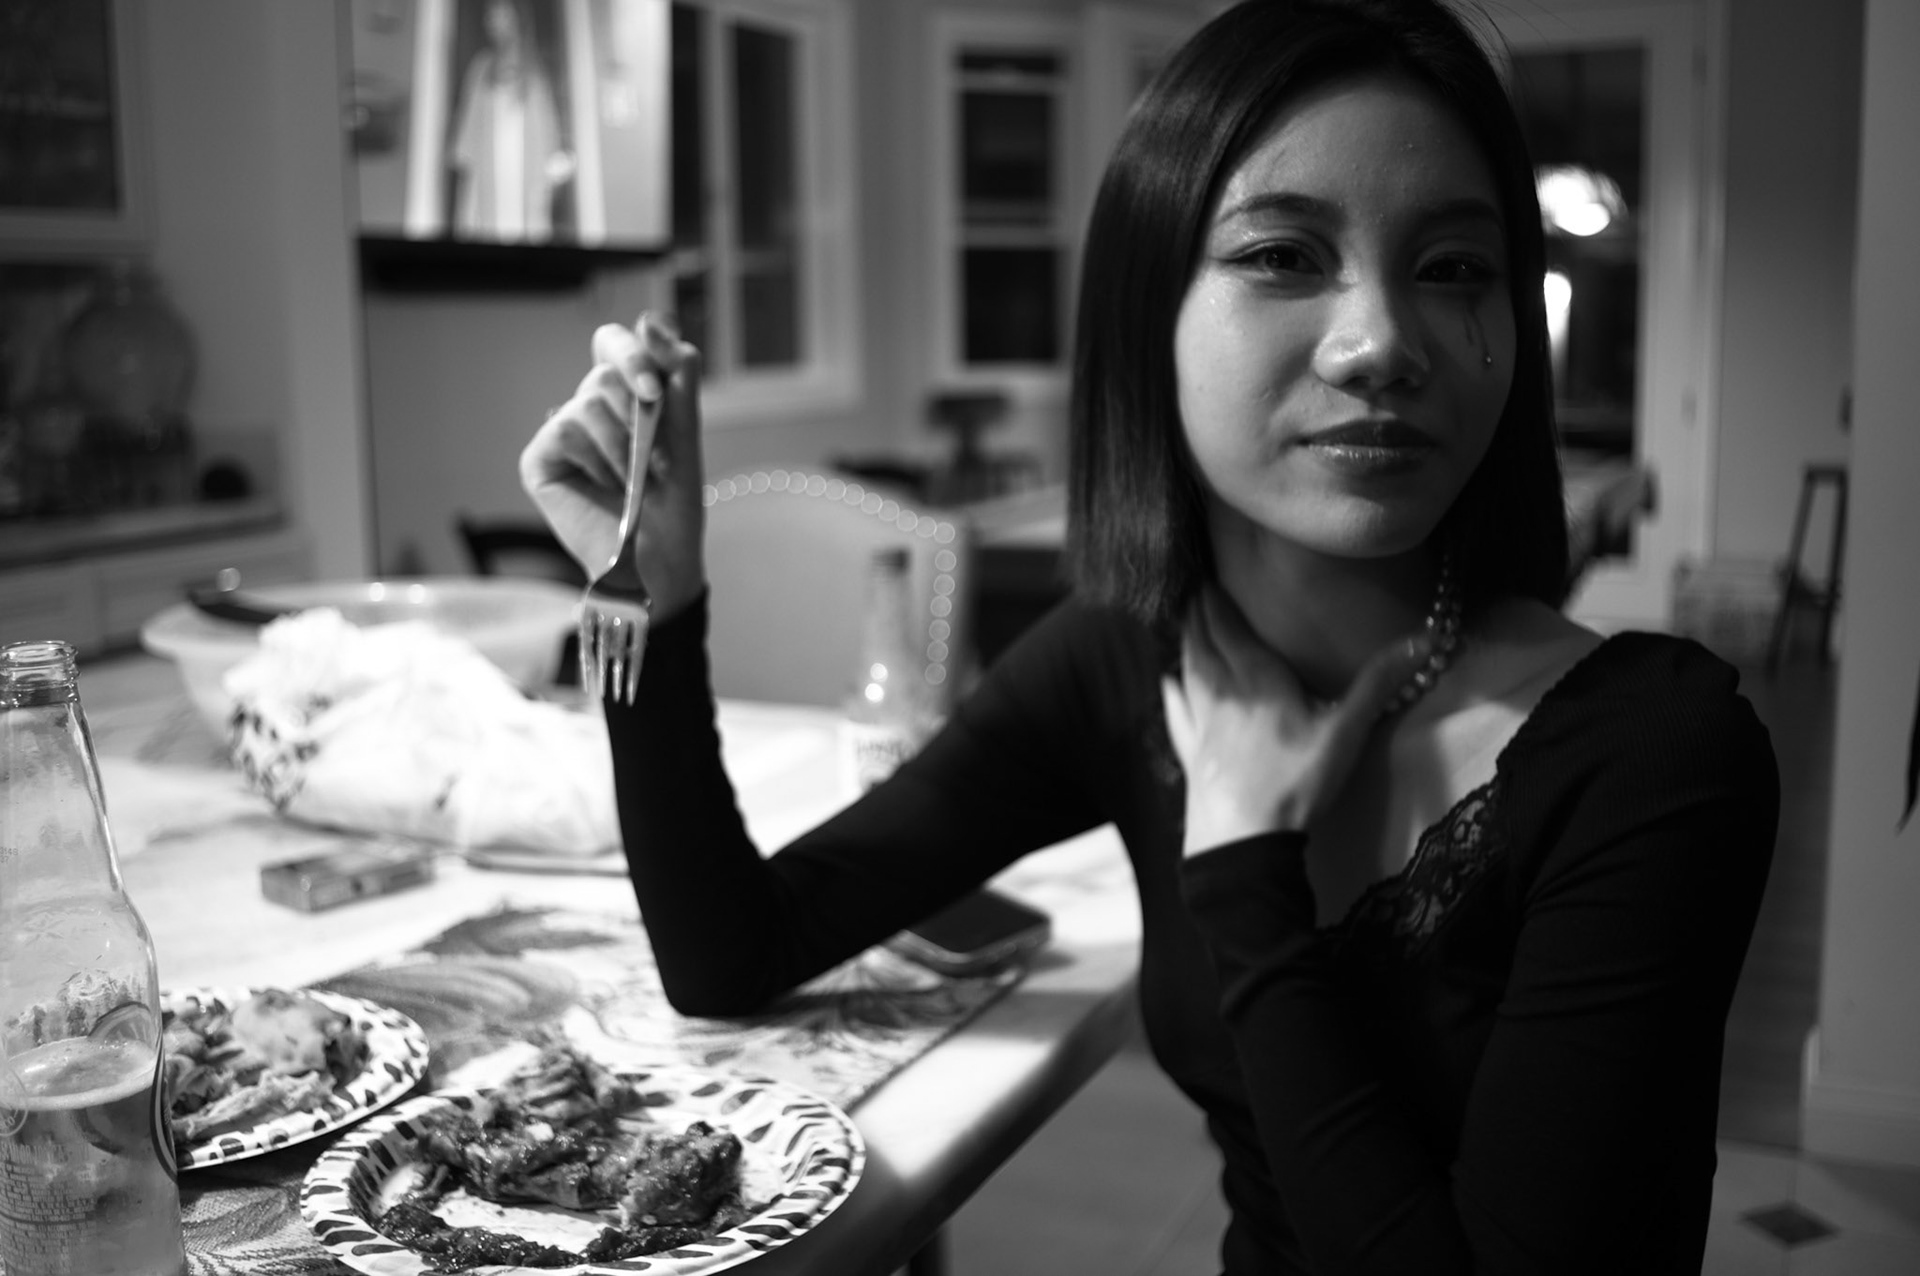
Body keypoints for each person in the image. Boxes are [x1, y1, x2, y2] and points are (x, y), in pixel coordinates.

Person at [518, 1, 1779, 1270]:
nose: (1382, 344)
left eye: (1453, 267)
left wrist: (1245, 877)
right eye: (1283, 255)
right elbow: (731, 951)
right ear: (1147, 312)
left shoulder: (1655, 757)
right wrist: (650, 595)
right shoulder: (1119, 662)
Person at [449, 0, 571, 242]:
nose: (494, 23)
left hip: (525, 168)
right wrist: (467, 165)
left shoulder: (534, 71)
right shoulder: (481, 67)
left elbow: (547, 130)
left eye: (501, 15)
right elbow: (469, 125)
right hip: (487, 168)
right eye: (491, 16)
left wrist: (550, 168)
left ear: (516, 20)